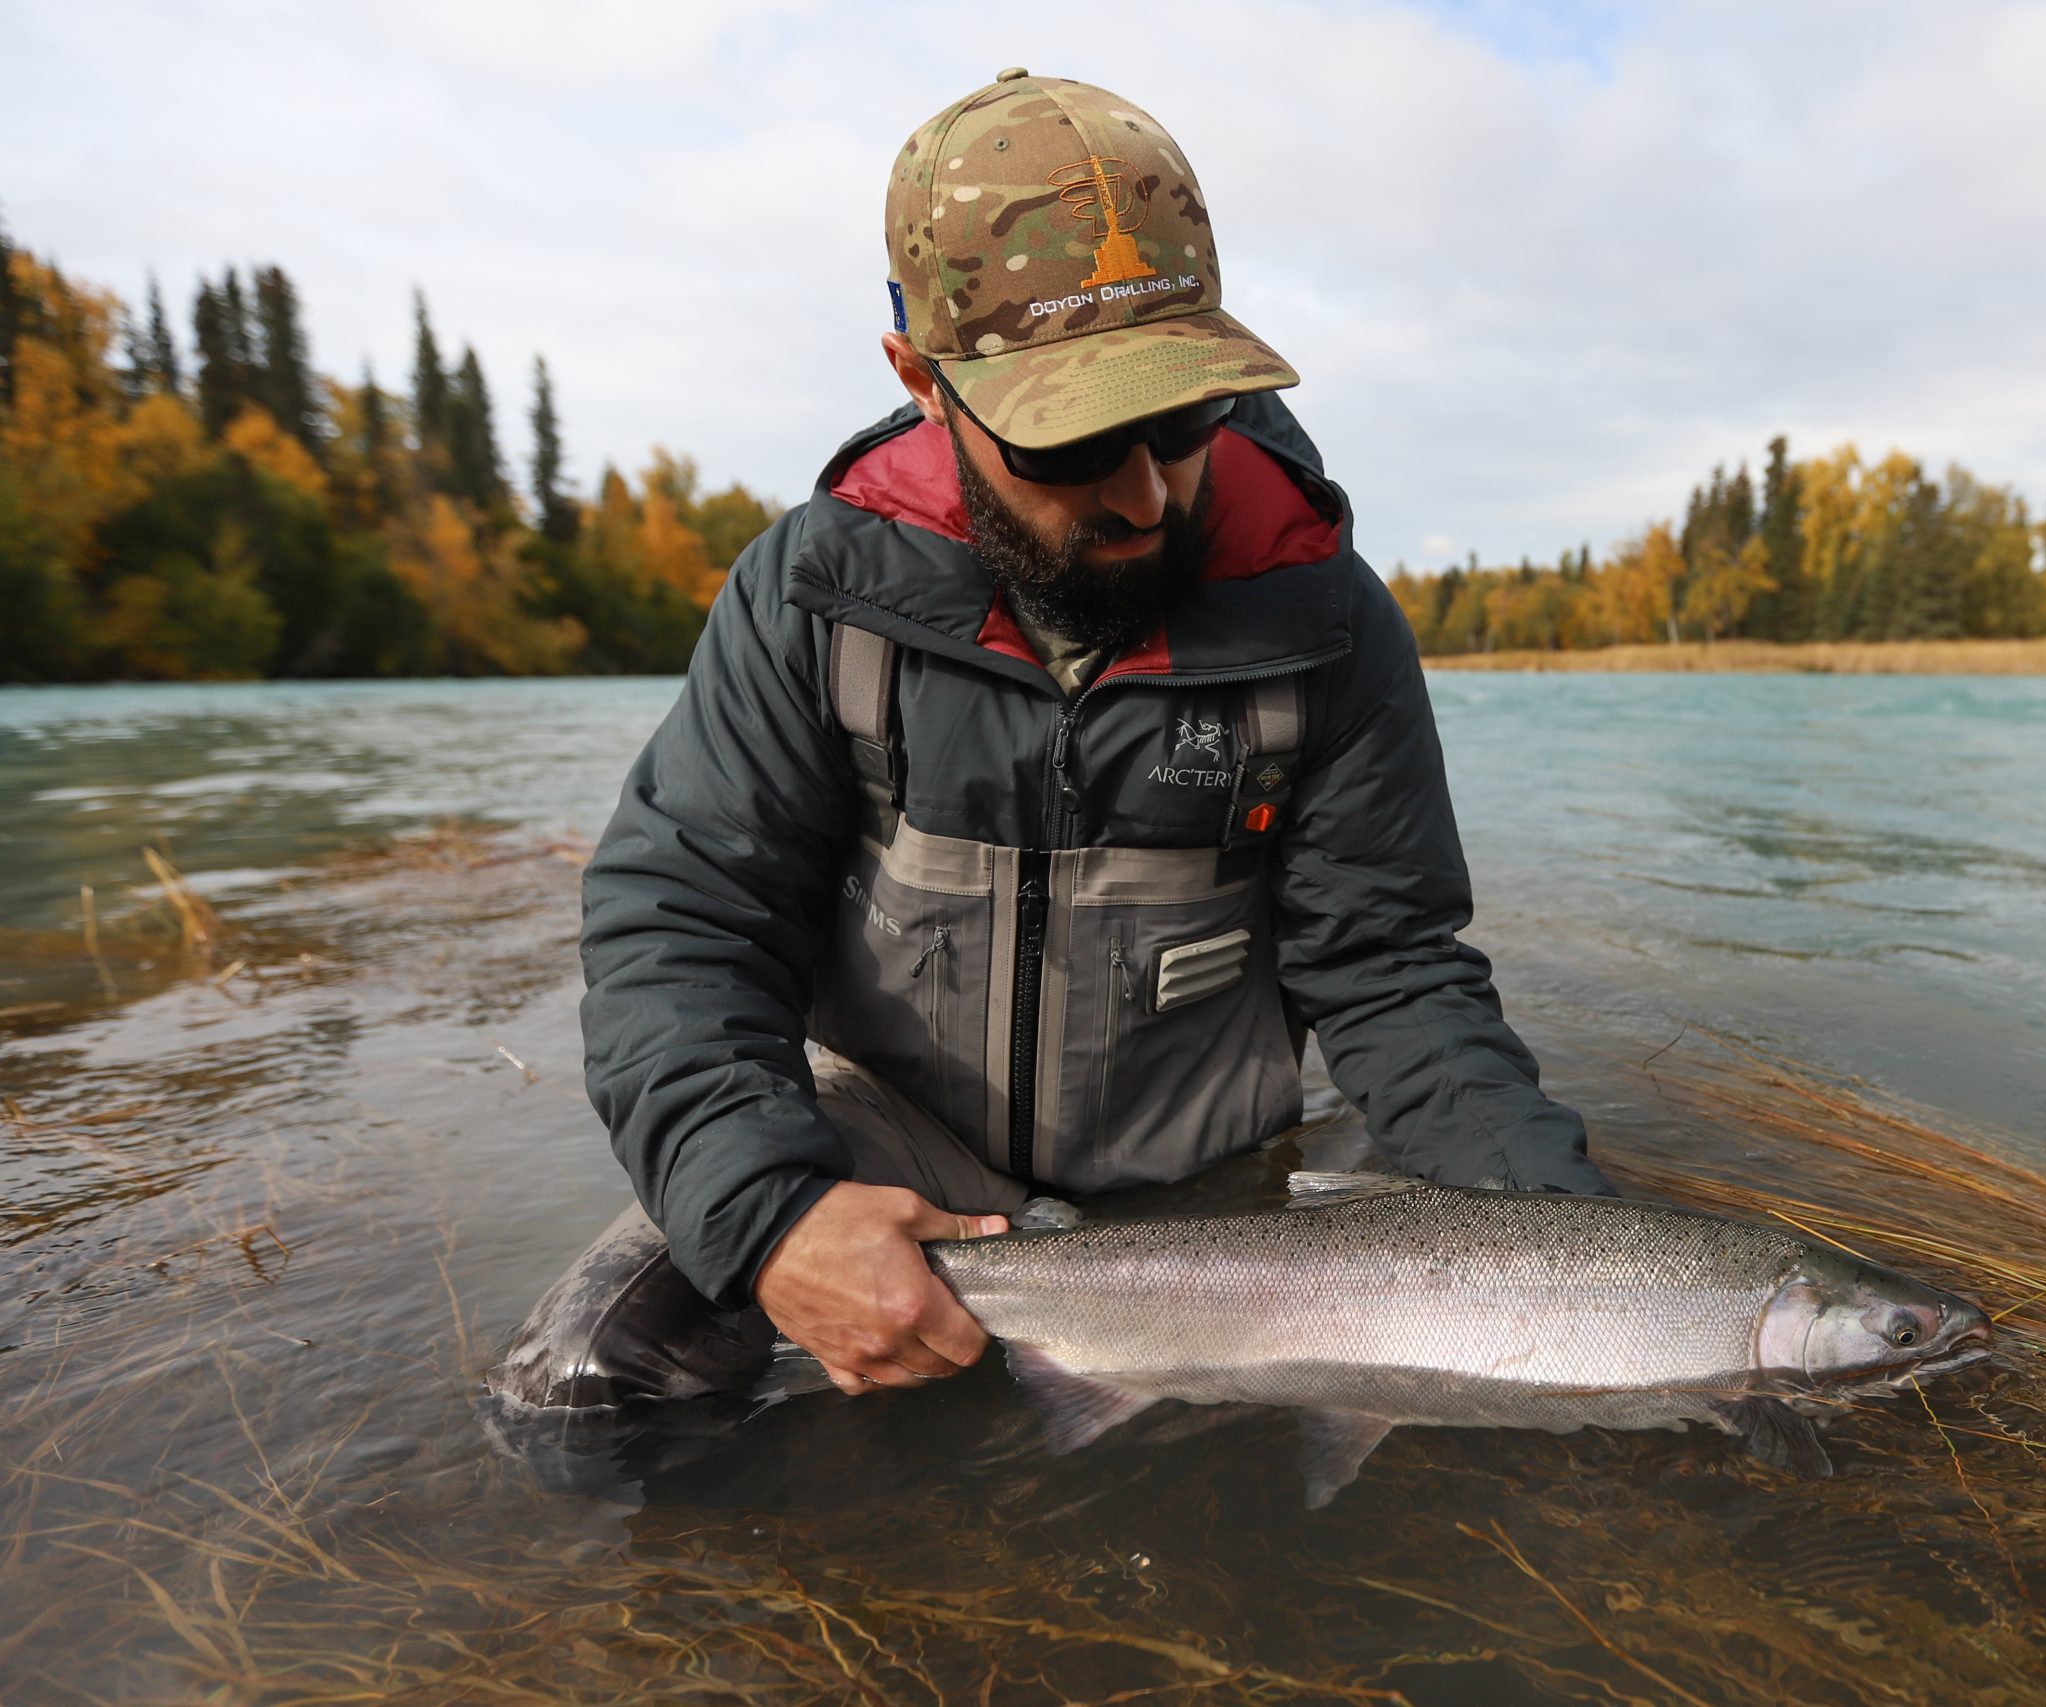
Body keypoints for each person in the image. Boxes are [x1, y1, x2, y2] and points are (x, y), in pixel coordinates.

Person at [488, 69, 1611, 1417]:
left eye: (1183, 416)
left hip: (1213, 1202)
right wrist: (777, 1214)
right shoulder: (815, 601)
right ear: (922, 381)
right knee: (591, 1379)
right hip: (903, 1170)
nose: (1146, 493)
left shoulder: (1322, 620)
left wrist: (1588, 1256)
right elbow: (683, 925)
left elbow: (1388, 973)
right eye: (1074, 437)